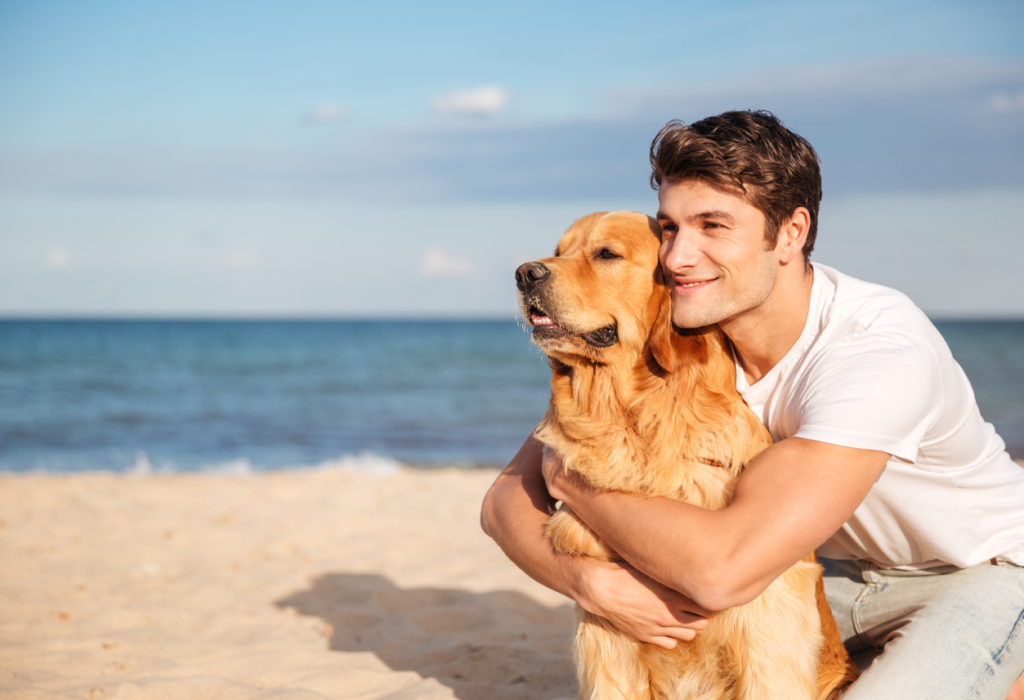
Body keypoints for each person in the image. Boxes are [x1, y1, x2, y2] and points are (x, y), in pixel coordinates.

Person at [480, 110, 1024, 699]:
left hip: (980, 572)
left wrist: (573, 482)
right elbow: (502, 501)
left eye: (714, 225)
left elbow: (720, 571)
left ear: (790, 233)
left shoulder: (876, 353)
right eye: (669, 227)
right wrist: (584, 581)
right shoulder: (692, 337)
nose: (678, 255)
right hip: (827, 570)